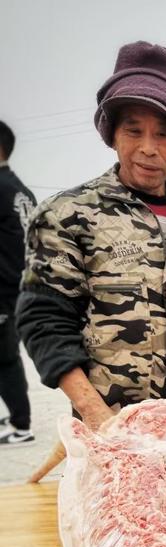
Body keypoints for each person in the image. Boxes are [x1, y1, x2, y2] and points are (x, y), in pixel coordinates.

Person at [17, 42, 166, 432]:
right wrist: (98, 419)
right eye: (134, 131)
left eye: (164, 134)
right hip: (115, 433)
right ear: (113, 135)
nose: (148, 148)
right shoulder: (67, 216)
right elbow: (44, 319)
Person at [0, 121, 36, 447]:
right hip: (23, 283)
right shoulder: (21, 189)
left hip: (5, 288)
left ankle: (21, 425)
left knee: (4, 358)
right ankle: (14, 416)